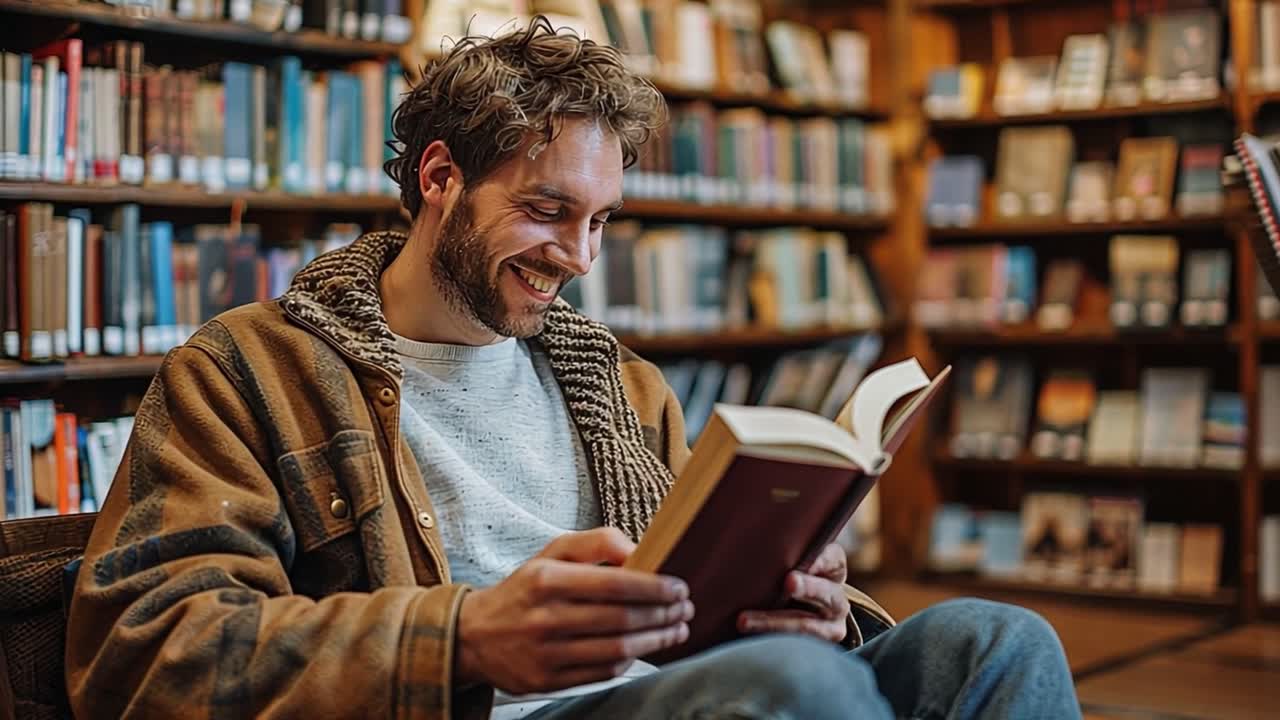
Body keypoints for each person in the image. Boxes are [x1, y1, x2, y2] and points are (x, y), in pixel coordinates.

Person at [65, 18, 1081, 720]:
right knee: (792, 693)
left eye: (600, 222)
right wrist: (461, 639)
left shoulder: (621, 385)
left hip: (686, 691)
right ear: (438, 178)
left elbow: (706, 610)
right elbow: (145, 654)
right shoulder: (249, 369)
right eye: (548, 210)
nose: (579, 257)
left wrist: (813, 609)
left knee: (995, 642)